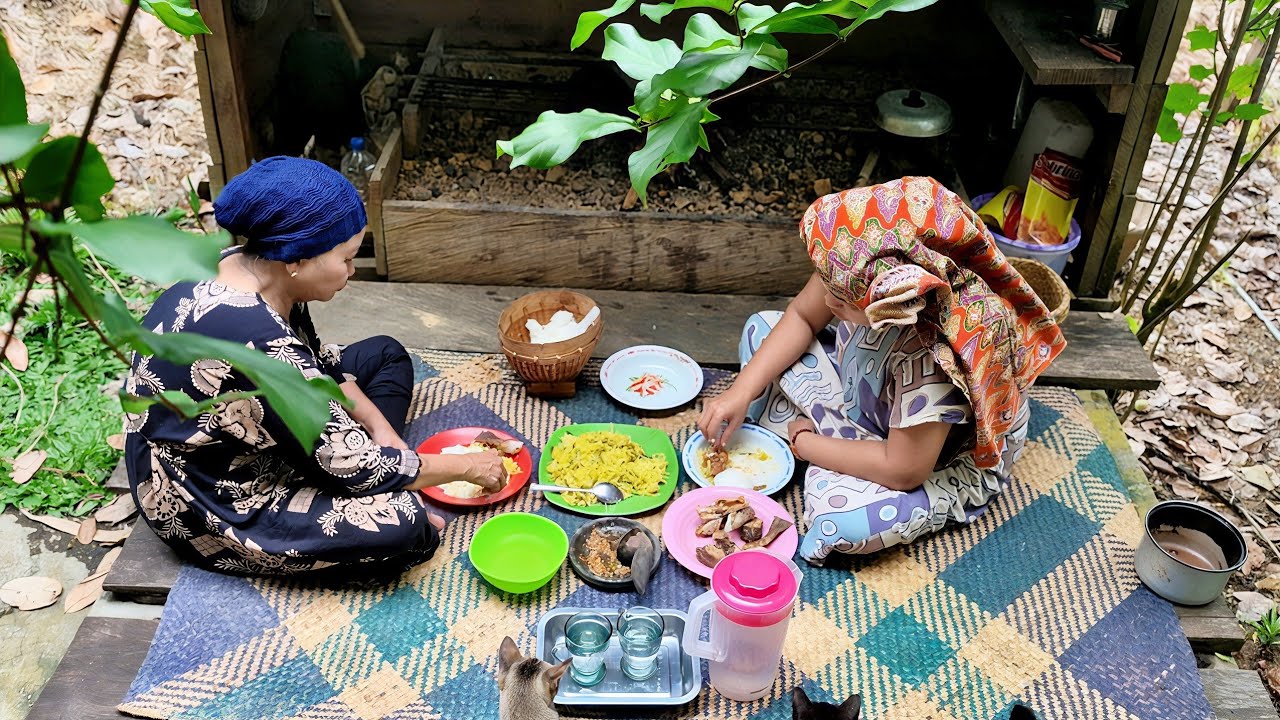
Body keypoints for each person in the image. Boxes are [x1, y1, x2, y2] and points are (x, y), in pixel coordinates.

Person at [123, 157, 506, 577]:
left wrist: (384, 434)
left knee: (386, 355)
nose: (351, 271)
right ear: (298, 260)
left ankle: (352, 466)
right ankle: (347, 482)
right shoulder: (258, 341)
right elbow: (344, 443)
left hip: (263, 420)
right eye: (345, 258)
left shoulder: (255, 267)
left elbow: (319, 367)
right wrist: (467, 466)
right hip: (209, 490)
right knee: (403, 526)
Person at [698, 177, 1066, 564]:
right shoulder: (858, 260)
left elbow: (903, 470)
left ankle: (820, 446)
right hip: (864, 399)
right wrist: (740, 391)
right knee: (762, 329)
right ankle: (831, 442)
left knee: (843, 524)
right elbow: (803, 316)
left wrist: (808, 446)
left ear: (897, 303)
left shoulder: (934, 358)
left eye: (841, 299)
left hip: (917, 457)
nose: (826, 300)